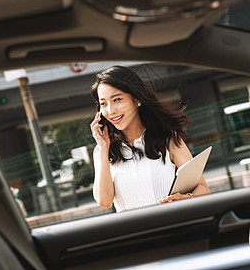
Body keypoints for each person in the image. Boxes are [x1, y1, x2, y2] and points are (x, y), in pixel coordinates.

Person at [90, 65, 210, 212]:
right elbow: (104, 201)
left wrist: (186, 198)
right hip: (134, 233)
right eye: (103, 104)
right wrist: (103, 148)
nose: (110, 111)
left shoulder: (168, 140)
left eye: (117, 99)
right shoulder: (103, 151)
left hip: (171, 227)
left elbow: (203, 189)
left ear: (137, 99)